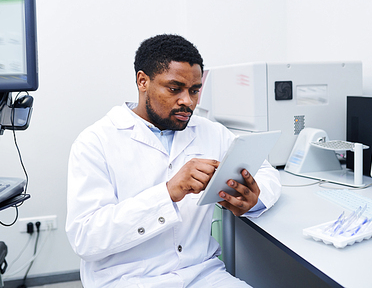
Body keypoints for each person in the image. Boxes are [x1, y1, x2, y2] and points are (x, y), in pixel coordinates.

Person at [66, 34, 281, 287]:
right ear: (142, 81)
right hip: (128, 279)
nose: (187, 102)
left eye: (194, 90)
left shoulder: (211, 132)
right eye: (174, 89)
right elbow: (86, 238)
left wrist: (252, 199)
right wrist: (168, 193)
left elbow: (265, 172)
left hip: (202, 274)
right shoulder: (96, 142)